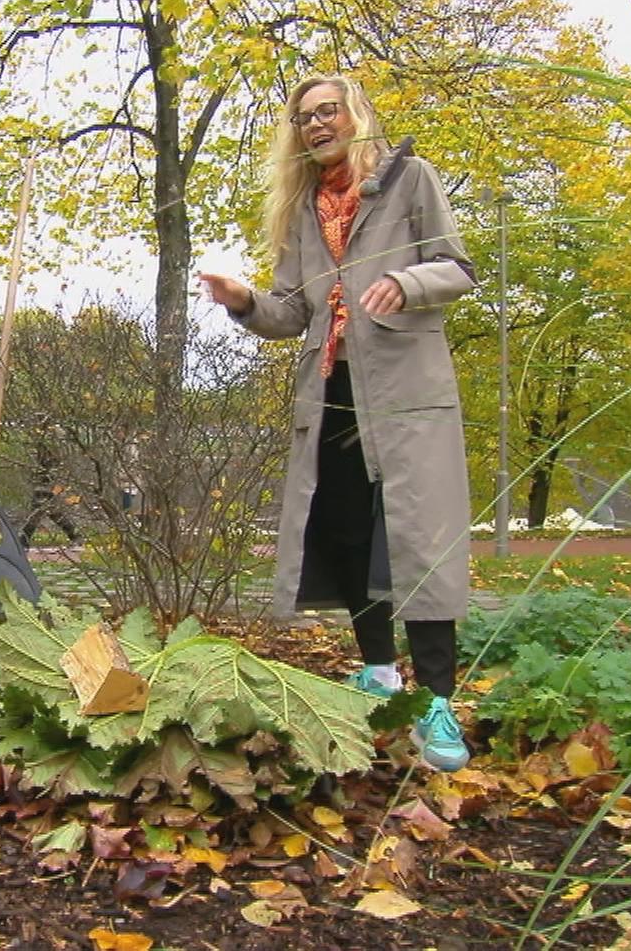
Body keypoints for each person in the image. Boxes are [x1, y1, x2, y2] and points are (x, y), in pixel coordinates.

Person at [198, 75, 477, 772]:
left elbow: (457, 268)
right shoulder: (303, 213)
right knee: (351, 531)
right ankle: (379, 671)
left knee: (419, 536)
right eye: (304, 117)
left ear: (356, 115)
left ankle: (437, 699)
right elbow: (292, 313)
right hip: (332, 391)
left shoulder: (411, 179)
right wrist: (244, 300)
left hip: (407, 391)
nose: (317, 124)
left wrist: (406, 283)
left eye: (328, 110)